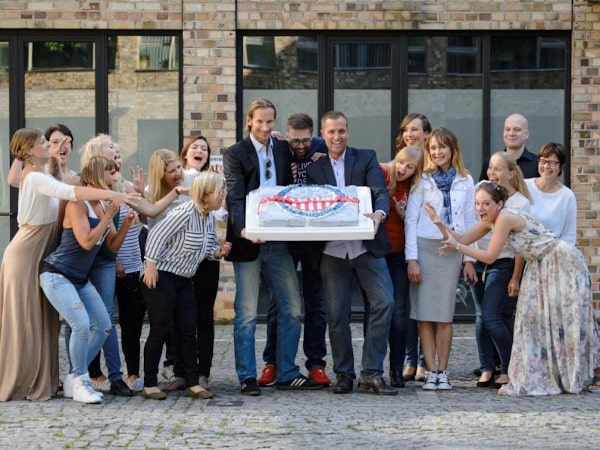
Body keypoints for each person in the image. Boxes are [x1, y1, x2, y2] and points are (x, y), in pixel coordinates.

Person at [0, 128, 136, 402]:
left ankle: (61, 377)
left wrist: (60, 156)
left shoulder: (45, 173)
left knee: (45, 323)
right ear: (28, 151)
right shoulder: (35, 177)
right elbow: (69, 190)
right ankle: (24, 378)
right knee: (23, 320)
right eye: (44, 143)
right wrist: (112, 198)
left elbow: (63, 178)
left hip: (48, 253)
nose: (50, 147)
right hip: (27, 251)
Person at [426, 182, 600, 396]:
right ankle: (549, 373)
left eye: (486, 204)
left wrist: (459, 248)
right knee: (535, 321)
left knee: (567, 319)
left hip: (560, 262)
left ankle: (585, 373)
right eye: (477, 204)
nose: (480, 208)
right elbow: (460, 238)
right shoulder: (490, 221)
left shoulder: (505, 218)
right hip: (539, 265)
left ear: (499, 204)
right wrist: (439, 223)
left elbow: (488, 256)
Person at [224, 99, 323, 395]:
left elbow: (313, 144)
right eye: (260, 122)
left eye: (270, 122)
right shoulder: (234, 153)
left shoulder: (282, 147)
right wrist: (244, 229)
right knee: (246, 314)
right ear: (249, 122)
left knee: (292, 309)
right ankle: (247, 376)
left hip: (279, 240)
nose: (265, 127)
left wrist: (318, 158)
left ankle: (287, 371)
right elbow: (234, 195)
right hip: (248, 242)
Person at [306, 110, 396, 395]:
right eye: (331, 132)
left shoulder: (365, 156)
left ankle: (371, 372)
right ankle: (344, 374)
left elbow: (379, 191)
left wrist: (380, 213)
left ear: (348, 131)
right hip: (332, 251)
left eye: (341, 131)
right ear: (323, 134)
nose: (336, 136)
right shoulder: (313, 168)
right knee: (336, 314)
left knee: (384, 302)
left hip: (365, 245)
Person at [40, 156, 137, 404]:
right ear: (96, 175)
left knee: (103, 326)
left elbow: (111, 247)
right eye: (111, 173)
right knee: (82, 324)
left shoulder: (104, 206)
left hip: (80, 279)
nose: (115, 178)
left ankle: (74, 377)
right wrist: (107, 219)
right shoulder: (78, 205)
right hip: (57, 274)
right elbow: (86, 241)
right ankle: (83, 381)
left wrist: (124, 224)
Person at [141, 172, 231, 400]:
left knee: (188, 330)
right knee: (160, 328)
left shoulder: (208, 216)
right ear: (205, 194)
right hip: (162, 275)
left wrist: (217, 252)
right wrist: (150, 266)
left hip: (184, 278)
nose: (223, 195)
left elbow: (208, 244)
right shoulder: (183, 212)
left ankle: (193, 381)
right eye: (220, 191)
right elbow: (156, 235)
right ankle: (150, 383)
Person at [257, 113, 331, 387]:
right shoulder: (277, 146)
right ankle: (272, 363)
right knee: (279, 304)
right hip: (284, 235)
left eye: (305, 140)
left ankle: (315, 364)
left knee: (316, 301)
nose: (300, 146)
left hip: (314, 236)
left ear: (313, 136)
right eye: (295, 140)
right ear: (286, 135)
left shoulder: (323, 146)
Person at [405, 127, 477, 391]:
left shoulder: (466, 180)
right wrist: (411, 258)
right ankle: (431, 371)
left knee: (445, 315)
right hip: (425, 248)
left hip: (453, 248)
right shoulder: (421, 180)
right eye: (433, 148)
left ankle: (443, 371)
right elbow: (411, 220)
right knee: (425, 315)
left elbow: (471, 220)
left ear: (452, 149)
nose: (437, 152)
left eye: (442, 147)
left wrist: (469, 257)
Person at [474, 113, 538, 378]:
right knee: (482, 316)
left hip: (505, 260)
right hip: (482, 257)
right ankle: (488, 366)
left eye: (498, 169)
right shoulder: (486, 189)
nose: (493, 172)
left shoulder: (520, 202)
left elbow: (521, 242)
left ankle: (510, 367)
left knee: (496, 315)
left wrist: (515, 275)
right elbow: (476, 224)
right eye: (507, 129)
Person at [179, 134, 227, 393]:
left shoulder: (214, 182)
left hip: (208, 257)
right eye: (195, 147)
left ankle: (203, 371)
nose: (200, 151)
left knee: (204, 315)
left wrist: (221, 188)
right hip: (180, 258)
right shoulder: (178, 178)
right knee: (181, 316)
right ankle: (180, 370)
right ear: (185, 153)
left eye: (205, 149)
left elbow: (221, 216)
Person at [378, 145, 424, 388]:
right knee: (377, 310)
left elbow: (418, 222)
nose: (403, 169)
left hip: (399, 254)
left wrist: (405, 215)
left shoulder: (415, 188)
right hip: (376, 252)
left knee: (399, 313)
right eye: (401, 163)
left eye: (410, 166)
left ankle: (396, 368)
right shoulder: (381, 173)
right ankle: (373, 369)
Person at [394, 113, 432, 383]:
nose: (410, 135)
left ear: (427, 135)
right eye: (407, 130)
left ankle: (424, 361)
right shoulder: (399, 163)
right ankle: (409, 358)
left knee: (424, 305)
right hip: (402, 246)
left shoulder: (431, 168)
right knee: (405, 304)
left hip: (427, 243)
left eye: (416, 130)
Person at [525, 142, 576, 244]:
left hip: (552, 256)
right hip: (522, 255)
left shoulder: (567, 196)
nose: (546, 166)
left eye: (552, 163)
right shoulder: (525, 186)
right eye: (543, 161)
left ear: (561, 166)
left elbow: (569, 235)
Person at [7, 123, 78, 188]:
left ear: (71, 148)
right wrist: (21, 150)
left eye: (65, 141)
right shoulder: (38, 171)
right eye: (55, 142)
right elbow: (14, 180)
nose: (61, 146)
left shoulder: (75, 177)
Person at [479, 113, 539, 181]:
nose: (511, 133)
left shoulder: (537, 164)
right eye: (507, 129)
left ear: (526, 133)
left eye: (517, 130)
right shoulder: (490, 163)